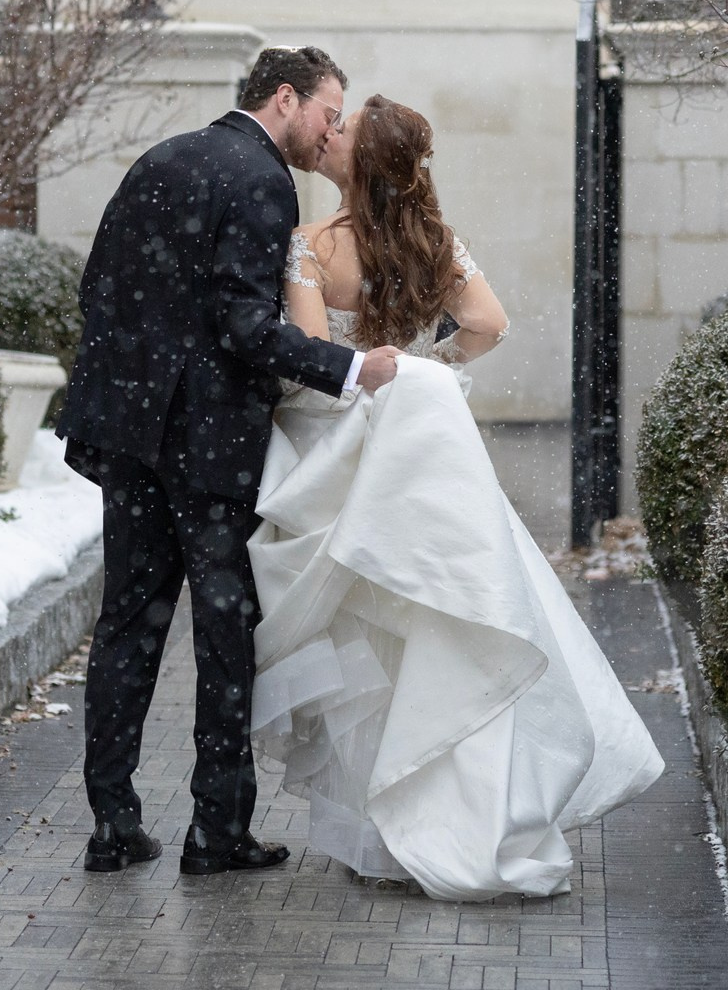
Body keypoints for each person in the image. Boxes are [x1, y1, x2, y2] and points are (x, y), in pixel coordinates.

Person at [250, 94, 663, 899]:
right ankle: (458, 807)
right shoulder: (435, 241)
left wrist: (369, 378)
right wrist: (430, 367)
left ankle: (385, 827)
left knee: (375, 640)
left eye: (343, 132)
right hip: (421, 455)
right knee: (444, 617)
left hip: (352, 456)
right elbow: (489, 322)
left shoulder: (310, 247)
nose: (328, 136)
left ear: (361, 163)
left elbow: (308, 360)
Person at [63, 46, 403, 877]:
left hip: (133, 440)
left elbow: (98, 291)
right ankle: (217, 831)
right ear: (284, 98)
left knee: (127, 628)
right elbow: (244, 327)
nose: (331, 133)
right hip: (208, 451)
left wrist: (127, 400)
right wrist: (352, 368)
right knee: (224, 635)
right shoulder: (259, 178)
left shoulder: (161, 159)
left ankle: (113, 822)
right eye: (329, 112)